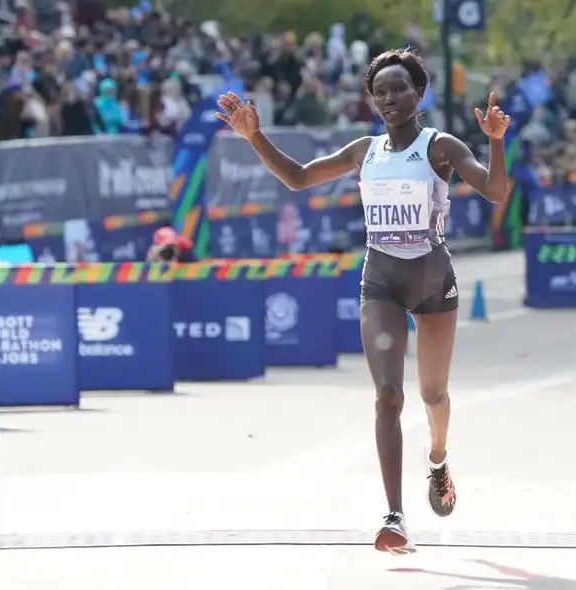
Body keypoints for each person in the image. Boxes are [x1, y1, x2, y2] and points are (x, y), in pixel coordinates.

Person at [216, 49, 511, 555]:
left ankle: (437, 460)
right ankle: (395, 516)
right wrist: (254, 137)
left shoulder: (439, 146)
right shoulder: (363, 151)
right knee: (388, 396)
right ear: (372, 102)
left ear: (419, 95)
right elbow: (298, 177)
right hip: (382, 281)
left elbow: (495, 191)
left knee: (433, 396)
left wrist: (495, 143)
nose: (389, 99)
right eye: (380, 92)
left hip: (433, 280)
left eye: (399, 89)